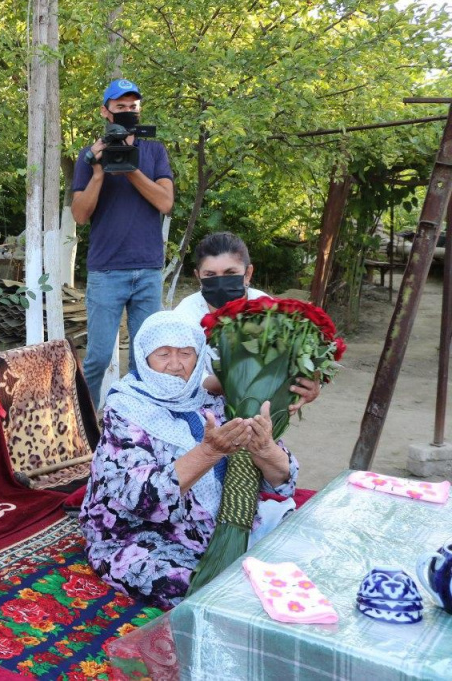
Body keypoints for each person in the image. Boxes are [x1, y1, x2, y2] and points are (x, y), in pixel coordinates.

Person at [78, 311, 298, 609]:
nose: (175, 365)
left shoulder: (213, 401)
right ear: (144, 357)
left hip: (218, 524)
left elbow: (283, 480)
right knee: (208, 588)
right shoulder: (125, 410)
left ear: (199, 358)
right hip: (140, 535)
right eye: (163, 354)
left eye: (185, 353)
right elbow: (142, 498)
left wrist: (265, 448)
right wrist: (208, 453)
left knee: (299, 554)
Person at [71, 77, 175, 407]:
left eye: (133, 107)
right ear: (106, 112)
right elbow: (79, 215)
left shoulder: (155, 151)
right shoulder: (89, 156)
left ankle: (137, 422)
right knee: (98, 358)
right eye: (120, 107)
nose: (128, 112)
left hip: (147, 269)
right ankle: (84, 427)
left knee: (144, 359)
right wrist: (100, 171)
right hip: (106, 271)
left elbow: (165, 203)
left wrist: (129, 168)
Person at [174, 231, 320, 414]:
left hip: (259, 414)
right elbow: (177, 372)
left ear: (248, 273)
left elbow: (289, 360)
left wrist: (305, 386)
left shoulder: (267, 309)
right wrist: (229, 384)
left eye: (230, 273)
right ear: (198, 277)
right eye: (210, 275)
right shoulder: (183, 316)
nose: (220, 282)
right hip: (197, 411)